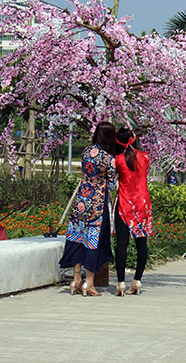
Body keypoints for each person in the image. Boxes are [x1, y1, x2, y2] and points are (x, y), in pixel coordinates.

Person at [59, 122, 117, 297]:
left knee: (78, 239)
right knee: (93, 242)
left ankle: (76, 279)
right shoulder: (109, 159)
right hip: (97, 205)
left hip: (81, 202)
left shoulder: (85, 152)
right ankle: (89, 283)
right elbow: (113, 185)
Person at [113, 128, 153, 296]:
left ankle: (121, 283)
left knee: (122, 244)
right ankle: (137, 280)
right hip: (142, 204)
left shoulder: (118, 160)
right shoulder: (145, 157)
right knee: (141, 244)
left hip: (124, 204)